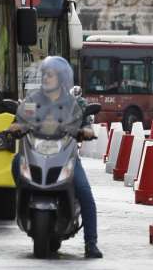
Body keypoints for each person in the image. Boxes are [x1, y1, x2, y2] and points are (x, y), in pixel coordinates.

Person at [8, 56, 103, 259]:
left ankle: (91, 242)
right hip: (36, 151)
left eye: (50, 75)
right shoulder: (32, 100)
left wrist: (86, 129)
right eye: (44, 74)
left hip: (65, 154)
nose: (46, 78)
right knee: (16, 162)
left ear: (61, 78)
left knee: (84, 191)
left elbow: (84, 120)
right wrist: (16, 125)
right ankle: (24, 199)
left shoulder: (73, 103)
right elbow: (21, 118)